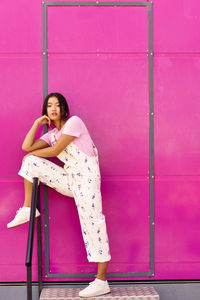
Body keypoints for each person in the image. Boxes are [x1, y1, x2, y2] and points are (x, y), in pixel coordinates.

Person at [7, 92, 111, 297]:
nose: (53, 109)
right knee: (29, 161)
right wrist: (37, 123)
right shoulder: (51, 135)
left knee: (94, 224)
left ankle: (101, 281)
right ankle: (29, 208)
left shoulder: (74, 122)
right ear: (45, 111)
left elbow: (55, 152)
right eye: (49, 106)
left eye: (57, 105)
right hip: (70, 179)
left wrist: (33, 152)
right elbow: (26, 147)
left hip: (87, 181)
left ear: (64, 108)